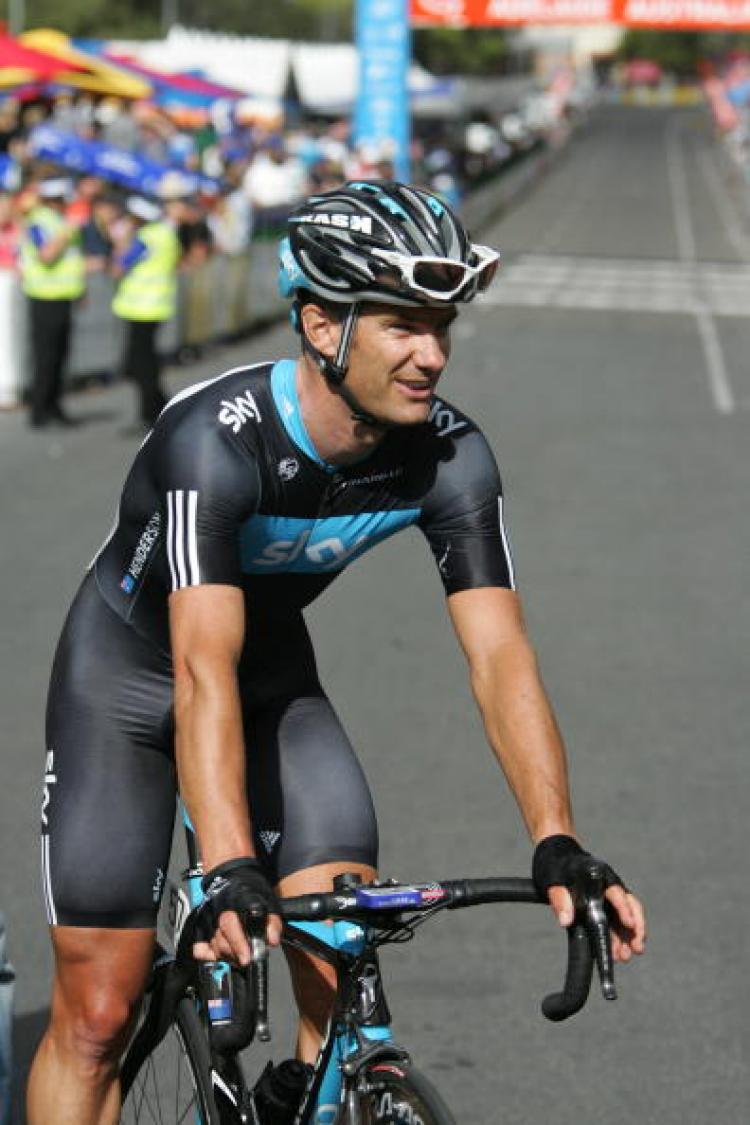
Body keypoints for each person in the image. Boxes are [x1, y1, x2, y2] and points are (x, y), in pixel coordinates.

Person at [27, 181, 646, 1125]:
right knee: (100, 1011)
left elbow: (500, 655)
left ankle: (312, 1093)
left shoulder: (447, 455)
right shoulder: (214, 442)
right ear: (323, 325)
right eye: (402, 324)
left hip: (267, 674)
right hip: (130, 678)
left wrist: (556, 840)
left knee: (335, 945)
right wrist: (228, 859)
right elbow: (198, 671)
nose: (431, 354)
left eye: (440, 324)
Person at [20, 176, 85, 429]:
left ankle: (55, 406)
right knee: (45, 357)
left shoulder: (61, 222)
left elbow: (74, 260)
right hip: (44, 297)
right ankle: (40, 411)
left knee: (61, 355)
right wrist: (66, 231)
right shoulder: (38, 222)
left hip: (64, 296)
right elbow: (46, 255)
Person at [111, 195, 180, 432]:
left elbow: (119, 265)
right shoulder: (166, 233)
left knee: (141, 365)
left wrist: (122, 239)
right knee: (145, 362)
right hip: (156, 305)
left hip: (141, 307)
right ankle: (159, 408)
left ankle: (153, 411)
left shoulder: (147, 237)